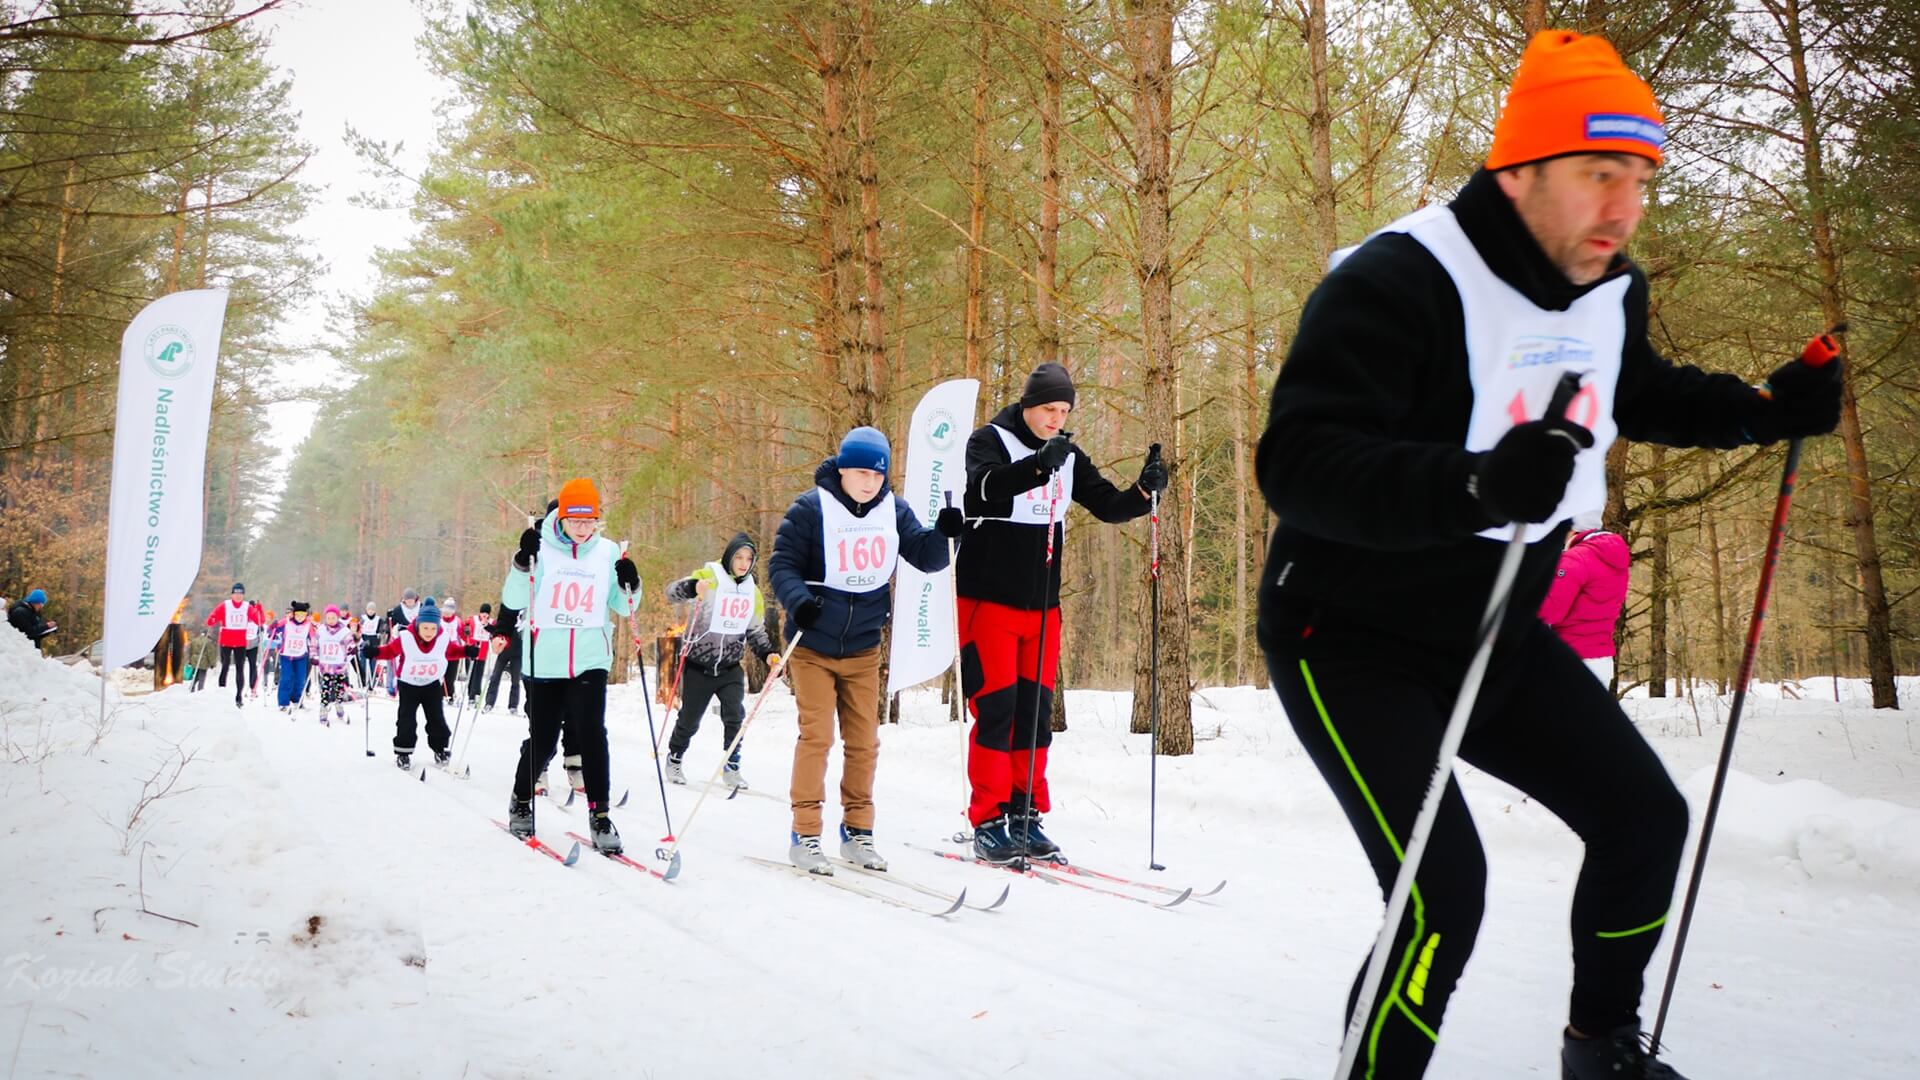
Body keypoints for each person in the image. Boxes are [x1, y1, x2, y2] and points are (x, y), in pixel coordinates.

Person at [1252, 31, 1843, 1080]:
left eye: (1640, 180)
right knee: (1444, 898)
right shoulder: (1402, 278)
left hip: (1493, 633)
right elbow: (1298, 463)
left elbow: (1637, 390)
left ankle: (1600, 1048)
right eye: (1598, 175)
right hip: (1344, 638)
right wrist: (1472, 482)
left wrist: (1762, 411)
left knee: (1645, 823)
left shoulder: (1609, 286)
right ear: (1519, 170)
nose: (1622, 208)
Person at [955, 362, 1166, 864]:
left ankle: (1026, 813)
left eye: (1065, 410)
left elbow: (1109, 506)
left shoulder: (1066, 455)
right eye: (1049, 408)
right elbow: (982, 490)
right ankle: (988, 819)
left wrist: (1144, 491)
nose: (1056, 418)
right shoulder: (989, 441)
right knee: (997, 711)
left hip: (1043, 609)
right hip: (988, 601)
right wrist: (1036, 467)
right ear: (1027, 405)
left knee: (1035, 716)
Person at [767, 427, 960, 875]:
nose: (869, 482)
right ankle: (806, 834)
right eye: (860, 473)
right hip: (812, 644)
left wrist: (949, 535)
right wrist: (798, 602)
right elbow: (782, 564)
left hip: (863, 647)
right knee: (817, 736)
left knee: (864, 742)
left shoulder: (895, 510)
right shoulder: (811, 507)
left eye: (877, 474)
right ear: (842, 469)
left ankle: (858, 833)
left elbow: (927, 556)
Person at [502, 478, 641, 854]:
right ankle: (520, 798)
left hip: (590, 660)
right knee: (543, 739)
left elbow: (625, 606)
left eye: (590, 520)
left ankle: (600, 815)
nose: (583, 528)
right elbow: (513, 599)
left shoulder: (608, 551)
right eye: (575, 520)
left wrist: (632, 583)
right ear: (562, 518)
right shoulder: (541, 548)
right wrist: (520, 562)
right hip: (545, 660)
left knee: (592, 733)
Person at [664, 533, 779, 790]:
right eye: (738, 556)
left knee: (734, 715)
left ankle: (732, 765)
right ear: (729, 557)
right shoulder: (709, 576)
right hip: (698, 664)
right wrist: (693, 587)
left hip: (729, 667)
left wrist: (768, 655)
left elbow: (755, 631)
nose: (743, 563)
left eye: (749, 558)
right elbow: (671, 593)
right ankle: (674, 757)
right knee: (690, 719)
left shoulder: (753, 592)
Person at [368, 597, 480, 769]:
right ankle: (403, 752)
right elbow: (390, 651)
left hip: (432, 686)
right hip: (408, 686)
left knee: (436, 719)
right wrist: (374, 652)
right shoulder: (406, 638)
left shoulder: (442, 640)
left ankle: (440, 748)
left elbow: (452, 652)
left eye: (433, 628)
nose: (429, 632)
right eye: (425, 627)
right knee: (407, 720)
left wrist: (467, 651)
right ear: (418, 625)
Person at [1540, 514, 1631, 688]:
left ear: (1571, 529)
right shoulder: (1615, 558)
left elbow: (1550, 612)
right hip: (1602, 660)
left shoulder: (1574, 559)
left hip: (1571, 659)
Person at [205, 583, 263, 709]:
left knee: (239, 668)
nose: (238, 596)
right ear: (232, 594)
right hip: (226, 640)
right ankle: (221, 694)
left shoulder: (247, 607)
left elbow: (260, 621)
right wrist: (213, 619)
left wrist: (259, 610)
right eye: (236, 593)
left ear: (243, 595)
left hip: (240, 642)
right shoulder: (225, 605)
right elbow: (211, 619)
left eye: (240, 594)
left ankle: (238, 696)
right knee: (225, 666)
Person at [312, 606, 358, 725]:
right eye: (328, 618)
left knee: (339, 687)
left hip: (339, 665)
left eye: (333, 618)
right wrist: (314, 656)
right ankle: (324, 707)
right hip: (325, 664)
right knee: (325, 688)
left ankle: (339, 704)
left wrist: (352, 648)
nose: (331, 620)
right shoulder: (321, 630)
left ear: (337, 618)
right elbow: (314, 644)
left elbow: (349, 641)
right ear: (325, 618)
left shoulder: (344, 631)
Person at [274, 602, 317, 715]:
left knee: (300, 679)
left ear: (306, 615)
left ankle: (297, 700)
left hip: (301, 655)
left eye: (302, 615)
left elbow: (313, 640)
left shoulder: (309, 625)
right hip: (286, 654)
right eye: (297, 615)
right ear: (293, 614)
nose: (300, 618)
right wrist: (273, 628)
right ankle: (283, 702)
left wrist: (314, 655)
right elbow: (273, 630)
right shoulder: (286, 621)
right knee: (287, 678)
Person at [484, 603, 523, 716]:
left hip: (517, 653)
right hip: (504, 652)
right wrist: (486, 625)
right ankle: (489, 703)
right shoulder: (507, 619)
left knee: (515, 680)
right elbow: (496, 629)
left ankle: (513, 706)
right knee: (495, 677)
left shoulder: (524, 623)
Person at [385, 587, 423, 695]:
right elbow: (389, 625)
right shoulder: (398, 610)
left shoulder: (422, 607)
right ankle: (391, 685)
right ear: (404, 600)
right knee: (394, 660)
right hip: (402, 640)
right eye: (407, 599)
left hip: (418, 641)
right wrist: (388, 620)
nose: (409, 602)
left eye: (411, 599)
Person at [437, 596, 465, 700]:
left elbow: (463, 635)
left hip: (454, 652)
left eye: (449, 612)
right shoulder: (439, 621)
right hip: (441, 651)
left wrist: (468, 637)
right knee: (440, 675)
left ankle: (449, 694)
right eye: (445, 611)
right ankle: (440, 694)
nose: (446, 614)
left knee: (451, 676)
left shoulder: (457, 621)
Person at [466, 603, 494, 701]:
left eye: (487, 614)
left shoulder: (491, 622)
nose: (484, 616)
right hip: (472, 649)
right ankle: (470, 694)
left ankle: (476, 694)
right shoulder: (473, 619)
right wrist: (467, 635)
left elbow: (495, 631)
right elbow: (465, 625)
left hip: (483, 652)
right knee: (471, 673)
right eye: (483, 614)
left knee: (479, 673)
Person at [358, 602, 383, 689]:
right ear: (366, 610)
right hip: (364, 642)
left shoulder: (378, 619)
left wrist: (382, 632)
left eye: (372, 609)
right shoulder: (363, 618)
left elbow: (382, 628)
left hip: (374, 643)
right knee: (363, 664)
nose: (371, 611)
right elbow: (358, 628)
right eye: (369, 609)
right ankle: (363, 682)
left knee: (373, 665)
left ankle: (373, 682)